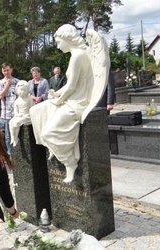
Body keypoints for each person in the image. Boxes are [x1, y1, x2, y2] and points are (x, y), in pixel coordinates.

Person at [30, 24, 109, 183]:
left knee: (48, 132)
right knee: (35, 111)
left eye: (59, 41)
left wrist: (58, 100)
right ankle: (52, 147)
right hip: (70, 99)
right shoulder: (79, 54)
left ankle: (70, 163)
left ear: (67, 38)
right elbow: (71, 85)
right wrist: (56, 93)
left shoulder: (77, 56)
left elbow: (72, 87)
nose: (58, 45)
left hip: (76, 104)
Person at [0, 62, 20, 155]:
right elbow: (0, 96)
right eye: (4, 70)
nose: (6, 72)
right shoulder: (0, 83)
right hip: (6, 113)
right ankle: (10, 153)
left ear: (11, 70)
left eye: (7, 70)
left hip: (17, 113)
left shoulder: (17, 81)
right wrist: (7, 85)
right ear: (2, 71)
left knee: (18, 134)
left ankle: (18, 153)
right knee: (8, 135)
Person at [9, 80, 33, 147]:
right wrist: (17, 114)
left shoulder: (29, 99)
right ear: (17, 90)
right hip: (20, 116)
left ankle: (16, 138)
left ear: (27, 90)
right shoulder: (17, 101)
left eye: (24, 90)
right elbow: (15, 111)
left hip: (27, 116)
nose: (22, 92)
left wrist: (27, 114)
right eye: (20, 90)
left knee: (17, 123)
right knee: (11, 122)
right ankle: (13, 137)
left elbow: (32, 109)